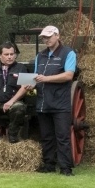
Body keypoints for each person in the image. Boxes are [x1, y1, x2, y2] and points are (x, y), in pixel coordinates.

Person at [32, 25, 76, 176]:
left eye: (49, 37)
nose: (46, 40)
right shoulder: (40, 55)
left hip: (60, 103)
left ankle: (65, 168)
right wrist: (28, 83)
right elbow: (36, 76)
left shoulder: (68, 53)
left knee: (63, 136)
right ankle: (48, 164)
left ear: (57, 36)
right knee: (46, 136)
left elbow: (68, 75)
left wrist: (46, 79)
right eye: (44, 37)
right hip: (43, 101)